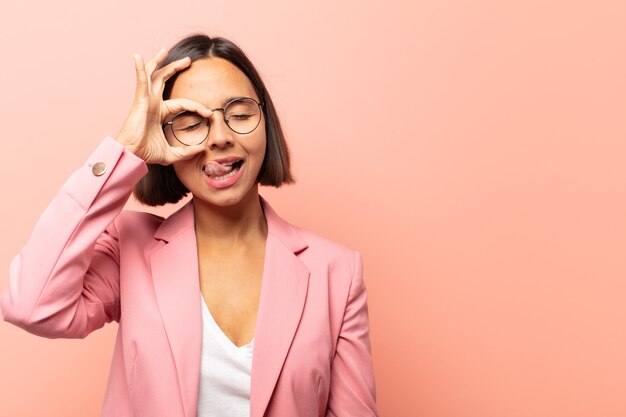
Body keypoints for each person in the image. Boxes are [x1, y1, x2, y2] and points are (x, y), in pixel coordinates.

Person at [0, 33, 379, 417]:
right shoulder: (130, 248)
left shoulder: (336, 272)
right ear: (163, 138)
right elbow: (31, 305)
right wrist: (125, 150)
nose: (220, 137)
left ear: (266, 122)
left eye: (241, 114)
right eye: (191, 122)